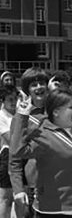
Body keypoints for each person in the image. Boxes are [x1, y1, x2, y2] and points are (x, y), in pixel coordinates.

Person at [10, 88, 72, 217]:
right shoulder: (43, 134)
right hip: (52, 210)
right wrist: (22, 114)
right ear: (56, 112)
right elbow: (18, 151)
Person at [8, 67, 49, 218]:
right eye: (33, 84)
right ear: (27, 90)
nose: (39, 87)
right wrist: (18, 190)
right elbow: (14, 159)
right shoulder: (21, 118)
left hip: (61, 180)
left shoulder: (57, 110)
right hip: (36, 186)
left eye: (41, 83)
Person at [0, 85, 18, 218]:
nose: (13, 102)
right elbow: (10, 139)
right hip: (7, 156)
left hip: (23, 157)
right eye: (9, 99)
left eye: (15, 98)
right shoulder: (1, 116)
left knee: (21, 198)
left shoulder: (21, 113)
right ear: (3, 101)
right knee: (6, 198)